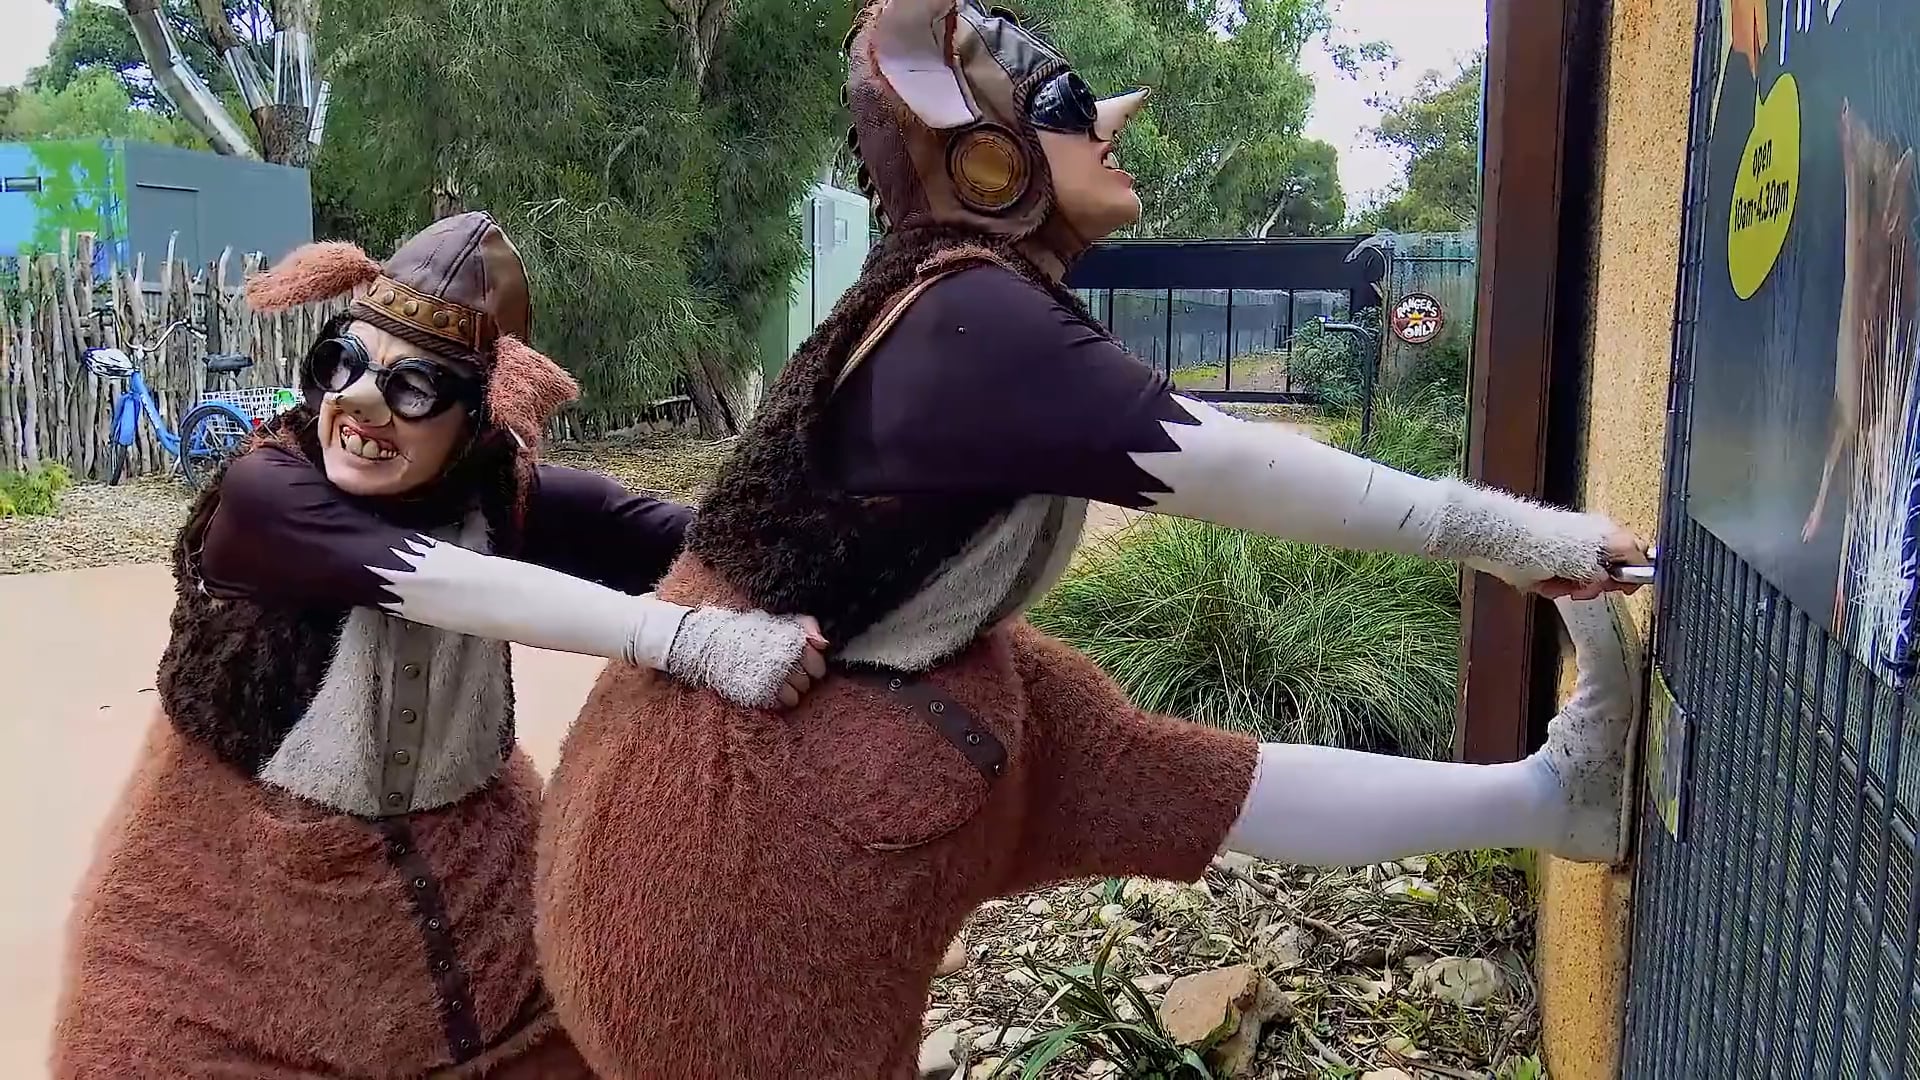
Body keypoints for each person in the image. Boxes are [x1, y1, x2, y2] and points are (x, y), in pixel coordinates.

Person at [533, 3, 1653, 1076]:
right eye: (1062, 96)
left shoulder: (943, 301)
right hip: (718, 837)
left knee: (1169, 775)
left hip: (834, 720)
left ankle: (1549, 804)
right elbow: (1224, 465)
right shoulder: (964, 319)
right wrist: (1514, 536)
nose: (1110, 122)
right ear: (979, 149)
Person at [48, 211, 825, 1078]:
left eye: (414, 387)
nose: (361, 404)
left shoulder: (500, 493)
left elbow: (692, 538)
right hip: (237, 903)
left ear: (483, 417)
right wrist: (685, 640)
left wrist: (839, 561)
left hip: (476, 881)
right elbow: (428, 577)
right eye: (342, 364)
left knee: (613, 1014)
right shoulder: (264, 494)